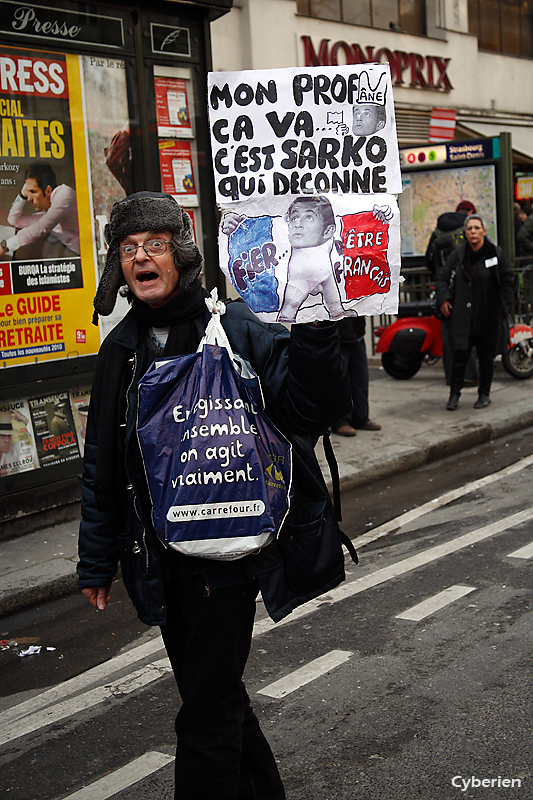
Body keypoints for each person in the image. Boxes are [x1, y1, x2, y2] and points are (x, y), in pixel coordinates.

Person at [77, 191, 351, 800]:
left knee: (205, 712)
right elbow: (101, 462)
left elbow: (316, 407)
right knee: (215, 692)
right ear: (117, 267)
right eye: (129, 249)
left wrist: (314, 331)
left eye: (154, 245)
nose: (142, 257)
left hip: (228, 557)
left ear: (180, 254)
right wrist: (96, 558)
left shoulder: (233, 328)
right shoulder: (118, 351)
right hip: (159, 559)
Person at [436, 214, 515, 410]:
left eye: (477, 228)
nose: (473, 232)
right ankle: (454, 395)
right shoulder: (458, 255)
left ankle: (484, 394)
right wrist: (444, 299)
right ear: (465, 232)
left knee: (486, 358)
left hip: (488, 316)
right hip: (464, 315)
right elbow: (442, 278)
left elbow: (507, 280)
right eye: (470, 229)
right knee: (460, 357)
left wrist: (505, 306)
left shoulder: (495, 254)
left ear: (484, 231)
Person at [425, 200, 478, 385]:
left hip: (444, 290)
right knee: (468, 333)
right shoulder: (467, 232)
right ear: (470, 212)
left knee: (447, 336)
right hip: (465, 291)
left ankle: (451, 376)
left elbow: (429, 260)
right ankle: (470, 375)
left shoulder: (439, 230)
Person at [278, 195, 344, 321]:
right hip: (300, 276)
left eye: (308, 217)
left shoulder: (329, 241)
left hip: (326, 273)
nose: (298, 223)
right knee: (290, 306)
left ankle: (337, 311)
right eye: (295, 217)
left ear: (328, 231)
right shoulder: (298, 242)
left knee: (335, 303)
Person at [0, 162, 79, 258]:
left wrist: (5, 246)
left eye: (33, 192)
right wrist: (21, 196)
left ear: (48, 191)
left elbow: (41, 227)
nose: (29, 198)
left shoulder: (64, 193)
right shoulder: (46, 215)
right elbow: (13, 220)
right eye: (28, 193)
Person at [332, 317, 381, 436]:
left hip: (356, 331)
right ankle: (340, 422)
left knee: (360, 378)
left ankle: (361, 417)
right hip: (338, 333)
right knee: (340, 380)